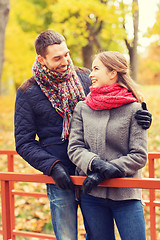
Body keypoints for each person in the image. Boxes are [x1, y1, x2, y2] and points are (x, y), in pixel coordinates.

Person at [14, 30, 151, 240]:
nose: (65, 61)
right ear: (41, 59)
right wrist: (52, 167)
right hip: (61, 176)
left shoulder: (86, 77)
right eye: (57, 58)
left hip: (94, 175)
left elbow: (116, 98)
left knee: (96, 233)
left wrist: (142, 115)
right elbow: (24, 142)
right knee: (67, 235)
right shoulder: (28, 91)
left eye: (66, 54)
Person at [68, 51, 148, 240]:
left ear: (112, 73)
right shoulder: (82, 108)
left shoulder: (135, 108)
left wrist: (107, 171)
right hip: (92, 195)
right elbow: (75, 148)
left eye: (96, 69)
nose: (91, 74)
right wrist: (95, 164)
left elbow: (139, 155)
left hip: (126, 194)